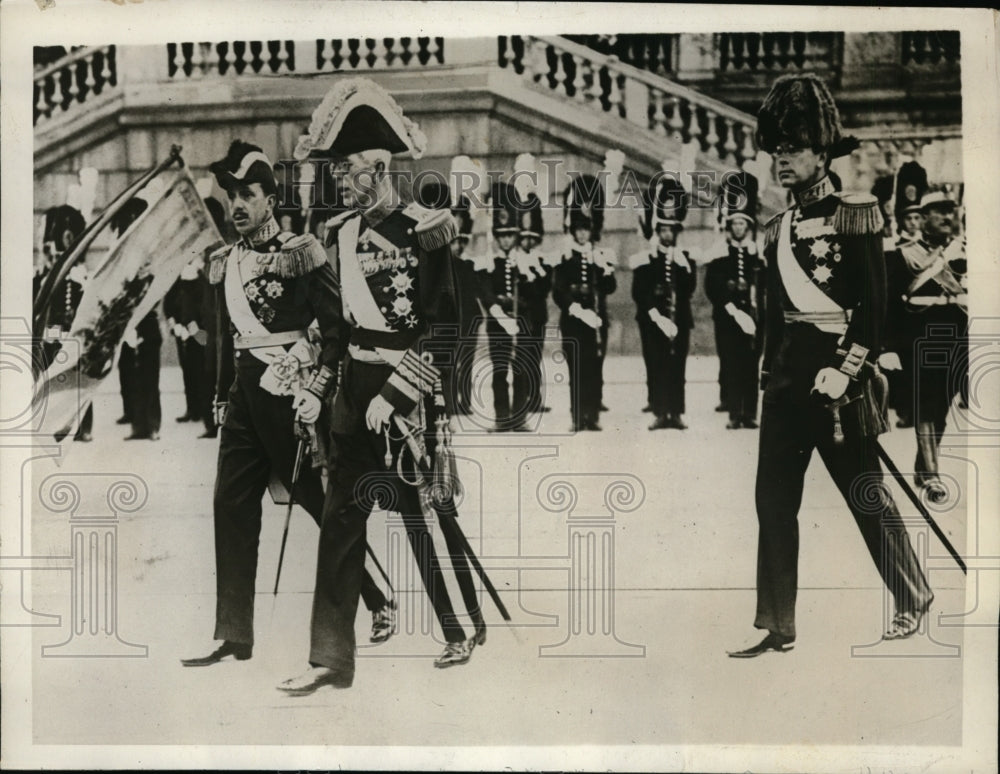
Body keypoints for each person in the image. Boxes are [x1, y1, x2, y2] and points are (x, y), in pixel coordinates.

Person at [280, 79, 487, 695]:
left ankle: (457, 628)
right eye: (338, 170)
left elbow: (444, 328)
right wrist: (316, 379)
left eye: (348, 169)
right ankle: (329, 658)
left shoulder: (425, 229)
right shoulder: (339, 233)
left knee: (422, 520)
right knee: (341, 523)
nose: (341, 180)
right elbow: (338, 328)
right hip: (353, 396)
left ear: (377, 167)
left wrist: (396, 395)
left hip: (405, 398)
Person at [729, 74, 933, 658]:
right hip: (787, 384)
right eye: (777, 149)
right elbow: (776, 314)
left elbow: (873, 305)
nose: (782, 159)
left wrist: (848, 367)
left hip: (839, 384)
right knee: (773, 503)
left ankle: (913, 596)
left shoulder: (856, 213)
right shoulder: (779, 226)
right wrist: (767, 376)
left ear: (821, 153)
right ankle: (778, 622)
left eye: (793, 148)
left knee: (866, 495)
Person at [181, 141, 392, 668]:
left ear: (270, 200)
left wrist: (315, 387)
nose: (237, 206)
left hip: (290, 399)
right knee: (229, 504)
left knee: (322, 508)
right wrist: (221, 398)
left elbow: (336, 329)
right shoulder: (225, 262)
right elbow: (227, 341)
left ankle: (378, 597)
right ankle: (234, 633)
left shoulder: (301, 252)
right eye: (231, 196)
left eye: (247, 195)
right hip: (244, 403)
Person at [883, 190, 967, 504]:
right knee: (926, 403)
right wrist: (889, 346)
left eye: (950, 211)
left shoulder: (965, 250)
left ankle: (923, 466)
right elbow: (891, 304)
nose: (946, 217)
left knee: (943, 404)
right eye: (939, 211)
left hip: (958, 335)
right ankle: (931, 475)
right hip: (922, 336)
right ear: (924, 217)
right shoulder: (904, 255)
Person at [630, 176, 696, 431]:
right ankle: (660, 412)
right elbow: (639, 292)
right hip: (654, 321)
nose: (668, 234)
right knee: (658, 365)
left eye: (671, 231)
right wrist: (656, 316)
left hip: (680, 320)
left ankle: (676, 413)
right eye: (664, 230)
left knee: (678, 366)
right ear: (658, 232)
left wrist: (685, 267)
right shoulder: (646, 259)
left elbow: (689, 289)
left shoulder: (684, 258)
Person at [552, 174, 616, 432]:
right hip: (573, 322)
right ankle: (577, 416)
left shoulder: (598, 255)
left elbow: (609, 288)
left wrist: (607, 271)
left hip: (596, 320)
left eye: (586, 229)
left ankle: (592, 415)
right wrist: (577, 310)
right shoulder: (565, 256)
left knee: (593, 369)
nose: (582, 233)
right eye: (578, 229)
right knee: (576, 370)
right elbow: (559, 292)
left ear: (591, 231)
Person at [476, 182, 538, 432]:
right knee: (500, 370)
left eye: (510, 235)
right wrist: (500, 315)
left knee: (521, 369)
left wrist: (528, 275)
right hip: (498, 323)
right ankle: (501, 416)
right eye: (502, 236)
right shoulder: (489, 262)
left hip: (522, 323)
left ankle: (519, 418)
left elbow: (534, 295)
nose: (506, 240)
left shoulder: (524, 261)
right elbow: (485, 293)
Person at [705, 171, 764, 430]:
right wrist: (730, 308)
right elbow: (712, 286)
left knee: (751, 365)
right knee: (731, 362)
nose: (738, 228)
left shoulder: (758, 254)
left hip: (754, 316)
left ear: (748, 226)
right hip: (727, 318)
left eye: (742, 223)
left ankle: (749, 413)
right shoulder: (720, 254)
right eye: (735, 224)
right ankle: (733, 412)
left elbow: (765, 286)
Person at [108, 198, 163, 442]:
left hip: (146, 322)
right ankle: (138, 425)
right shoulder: (125, 257)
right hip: (127, 323)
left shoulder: (151, 256)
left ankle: (151, 425)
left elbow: (154, 291)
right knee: (131, 376)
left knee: (149, 377)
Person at [517, 178, 553, 415]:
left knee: (535, 357)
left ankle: (535, 398)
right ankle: (522, 399)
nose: (528, 242)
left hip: (537, 314)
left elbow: (546, 288)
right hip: (520, 314)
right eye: (525, 238)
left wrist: (534, 275)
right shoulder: (514, 261)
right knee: (521, 358)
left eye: (532, 239)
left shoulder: (543, 262)